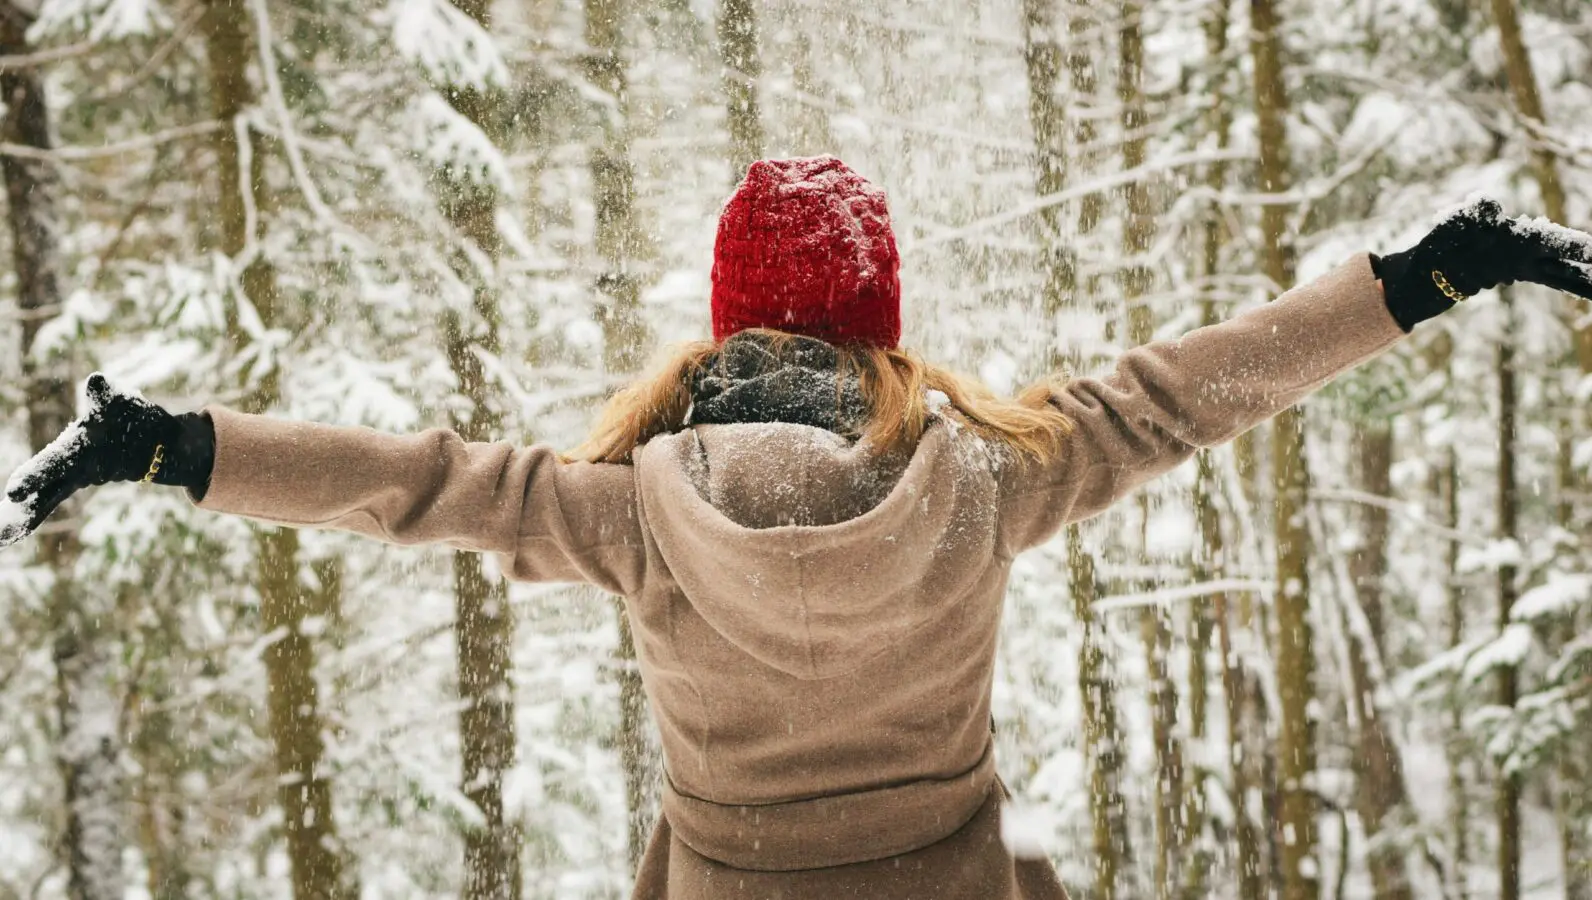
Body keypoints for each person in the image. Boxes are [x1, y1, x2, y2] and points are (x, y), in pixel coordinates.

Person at [4, 156, 1591, 899]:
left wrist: (174, 446)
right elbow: (1184, 396)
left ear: (721, 331)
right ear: (879, 332)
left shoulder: (632, 514)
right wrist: (1424, 277)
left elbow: (413, 484)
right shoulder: (989, 475)